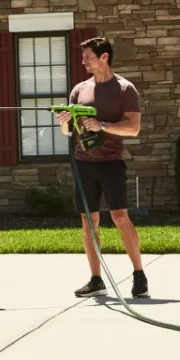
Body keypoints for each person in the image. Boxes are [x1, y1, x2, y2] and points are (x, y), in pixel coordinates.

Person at [55, 36, 149, 299]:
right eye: (83, 56)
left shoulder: (125, 89)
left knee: (120, 218)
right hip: (84, 163)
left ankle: (139, 275)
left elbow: (133, 127)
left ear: (104, 57)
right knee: (88, 221)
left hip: (111, 163)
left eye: (88, 56)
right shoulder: (78, 90)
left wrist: (104, 126)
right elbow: (68, 131)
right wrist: (64, 122)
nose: (83, 60)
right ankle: (96, 279)